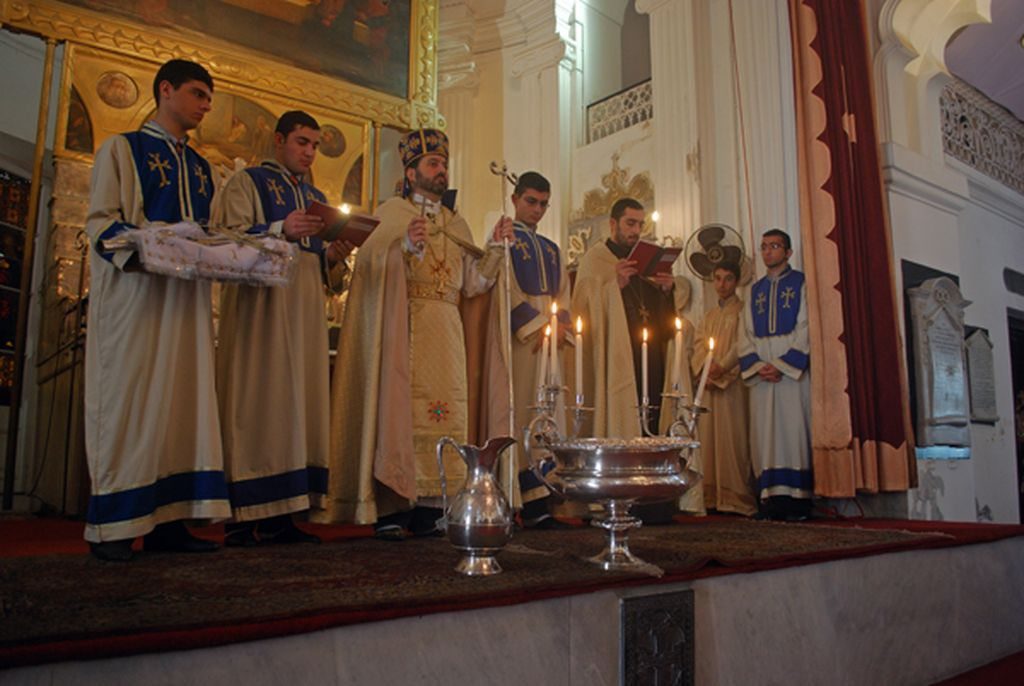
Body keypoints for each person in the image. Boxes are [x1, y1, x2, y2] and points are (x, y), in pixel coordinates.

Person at [320, 129, 512, 539]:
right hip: (405, 329)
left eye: (443, 164)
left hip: (449, 330)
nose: (441, 171)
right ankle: (392, 505)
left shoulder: (454, 222)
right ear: (411, 173)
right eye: (432, 164)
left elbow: (473, 285)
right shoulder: (391, 213)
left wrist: (494, 249)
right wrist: (402, 246)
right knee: (400, 409)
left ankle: (433, 505)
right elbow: (372, 264)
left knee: (449, 414)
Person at [83, 59, 230, 561]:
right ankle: (116, 527)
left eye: (209, 97)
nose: (205, 105)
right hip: (138, 297)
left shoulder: (201, 167)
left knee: (182, 406)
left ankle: (169, 523)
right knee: (133, 401)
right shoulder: (122, 149)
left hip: (187, 301)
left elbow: (208, 232)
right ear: (165, 90)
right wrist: (160, 245)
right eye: (196, 93)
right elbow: (102, 224)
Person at [213, 110, 354, 546]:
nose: (310, 152)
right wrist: (279, 228)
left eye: (314, 144)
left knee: (300, 408)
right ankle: (243, 515)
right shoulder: (247, 183)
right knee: (258, 404)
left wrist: (334, 256)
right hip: (262, 316)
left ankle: (285, 514)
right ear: (279, 141)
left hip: (305, 315)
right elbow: (224, 240)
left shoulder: (315, 196)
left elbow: (319, 269)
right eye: (302, 142)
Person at [571, 197, 691, 438]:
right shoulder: (595, 260)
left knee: (656, 415)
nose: (636, 231)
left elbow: (662, 318)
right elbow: (582, 310)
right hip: (618, 355)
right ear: (613, 224)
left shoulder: (645, 261)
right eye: (630, 223)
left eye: (640, 225)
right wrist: (614, 287)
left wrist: (666, 291)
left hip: (652, 354)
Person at [498, 171, 571, 528]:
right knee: (524, 415)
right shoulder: (504, 240)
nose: (537, 210)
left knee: (549, 420)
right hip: (522, 343)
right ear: (515, 199)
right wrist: (539, 326)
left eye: (543, 204)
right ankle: (522, 499)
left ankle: (545, 500)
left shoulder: (553, 249)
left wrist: (561, 328)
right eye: (531, 201)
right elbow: (504, 289)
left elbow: (564, 296)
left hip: (550, 344)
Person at [737, 229, 813, 521]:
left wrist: (782, 364)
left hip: (790, 374)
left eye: (775, 246)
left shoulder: (801, 283)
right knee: (764, 434)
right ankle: (769, 499)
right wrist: (758, 366)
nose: (768, 252)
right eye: (765, 247)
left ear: (788, 252)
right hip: (762, 373)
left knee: (792, 430)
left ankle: (797, 501)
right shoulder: (754, 291)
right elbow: (744, 335)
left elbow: (806, 327)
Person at [692, 262, 757, 516]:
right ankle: (711, 497)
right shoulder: (708, 316)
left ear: (737, 281)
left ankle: (735, 497)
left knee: (733, 440)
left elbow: (743, 343)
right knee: (708, 441)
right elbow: (697, 346)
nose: (722, 285)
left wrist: (723, 367)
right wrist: (704, 369)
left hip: (732, 385)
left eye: (728, 279)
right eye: (717, 279)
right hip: (709, 385)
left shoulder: (743, 311)